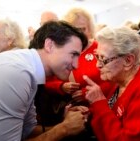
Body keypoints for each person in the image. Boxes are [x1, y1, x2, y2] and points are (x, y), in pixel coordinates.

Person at [0, 21, 89, 141]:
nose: (76, 65)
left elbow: (26, 131)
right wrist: (64, 129)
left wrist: (65, 124)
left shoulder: (26, 67)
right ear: (49, 45)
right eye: (73, 54)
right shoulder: (14, 73)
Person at [83, 26, 140, 141]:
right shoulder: (119, 83)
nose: (97, 65)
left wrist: (99, 103)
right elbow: (112, 115)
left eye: (103, 59)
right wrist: (89, 113)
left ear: (128, 61)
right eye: (97, 56)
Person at [35, 7, 114, 140]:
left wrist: (88, 93)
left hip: (101, 112)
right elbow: (47, 81)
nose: (80, 34)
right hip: (71, 115)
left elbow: (114, 81)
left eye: (83, 29)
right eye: (76, 30)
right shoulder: (61, 52)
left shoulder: (100, 49)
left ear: (90, 28)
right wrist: (61, 86)